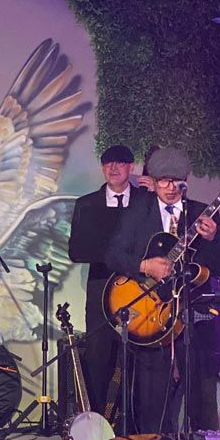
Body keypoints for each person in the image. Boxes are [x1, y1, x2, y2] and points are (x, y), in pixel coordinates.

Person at [105, 148, 220, 434]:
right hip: (152, 316)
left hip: (192, 316)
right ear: (153, 180)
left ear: (186, 180)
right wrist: (144, 265)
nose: (171, 187)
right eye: (164, 180)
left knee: (201, 394)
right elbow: (112, 255)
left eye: (177, 181)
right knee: (152, 400)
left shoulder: (201, 213)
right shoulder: (138, 212)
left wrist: (212, 238)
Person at [67, 145, 151, 417]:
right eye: (107, 163)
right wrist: (115, 256)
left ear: (131, 167)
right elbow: (76, 251)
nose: (113, 168)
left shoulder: (145, 201)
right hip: (100, 289)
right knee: (98, 356)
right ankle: (95, 423)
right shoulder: (87, 204)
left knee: (137, 355)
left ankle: (136, 423)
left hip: (139, 288)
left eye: (120, 163)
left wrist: (155, 195)